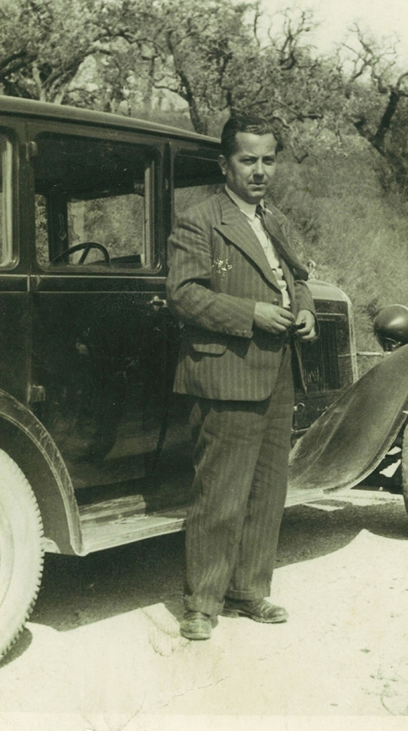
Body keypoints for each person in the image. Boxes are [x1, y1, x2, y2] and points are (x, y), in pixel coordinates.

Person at [166, 115, 317, 641]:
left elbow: (297, 278)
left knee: (267, 490)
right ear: (224, 164)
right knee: (220, 494)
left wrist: (305, 309)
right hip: (226, 372)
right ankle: (201, 605)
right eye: (248, 160)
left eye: (268, 160)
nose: (259, 171)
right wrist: (251, 313)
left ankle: (249, 592)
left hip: (278, 373)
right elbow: (183, 294)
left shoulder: (275, 220)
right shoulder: (200, 220)